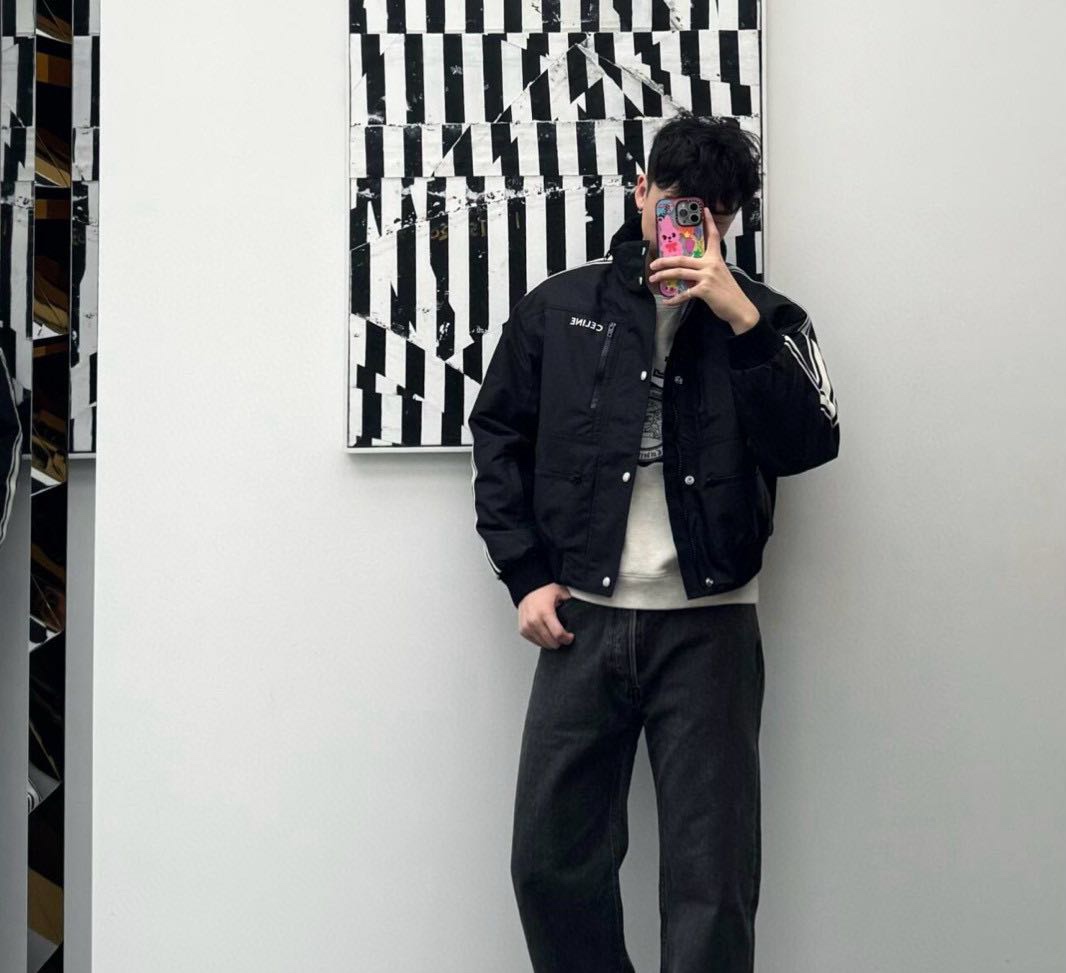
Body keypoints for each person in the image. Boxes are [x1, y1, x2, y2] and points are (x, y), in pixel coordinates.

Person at [468, 114, 840, 972]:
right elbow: (499, 437)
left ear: (730, 219)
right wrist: (525, 574)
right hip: (581, 621)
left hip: (710, 626)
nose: (688, 226)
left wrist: (740, 318)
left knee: (712, 886)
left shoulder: (768, 317)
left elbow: (810, 443)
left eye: (710, 214)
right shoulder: (561, 308)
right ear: (641, 192)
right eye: (675, 203)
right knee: (549, 864)